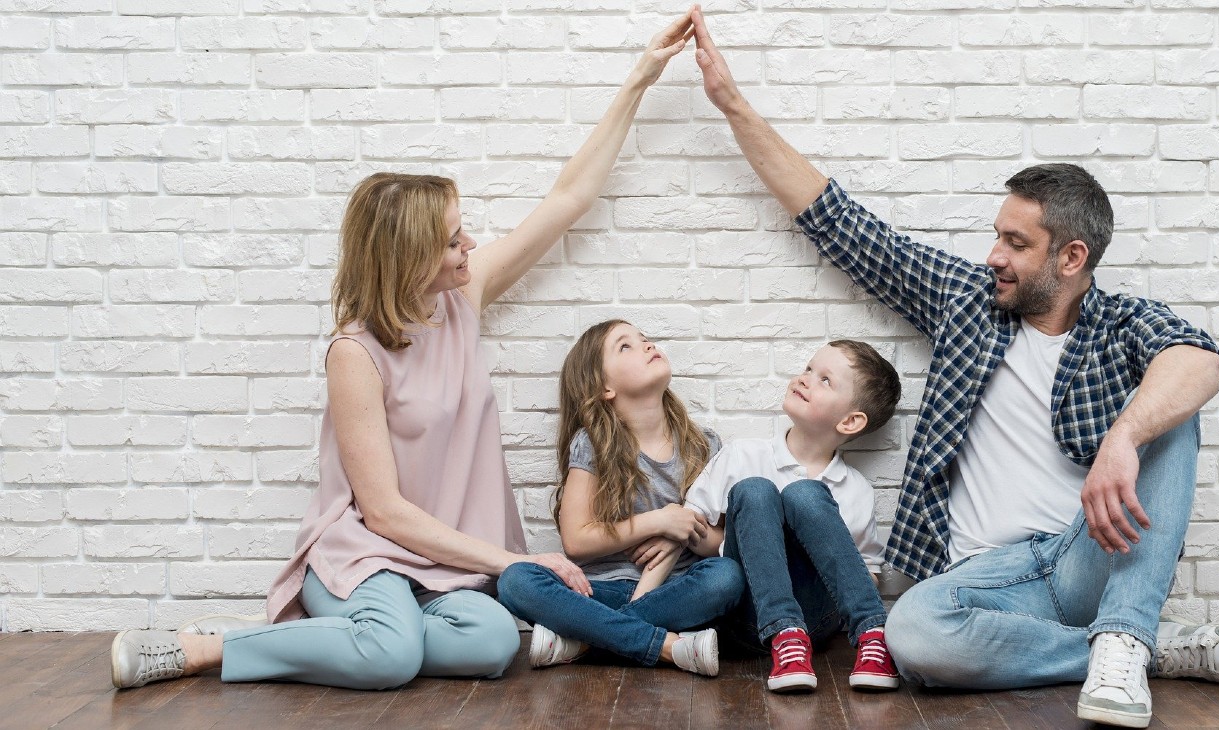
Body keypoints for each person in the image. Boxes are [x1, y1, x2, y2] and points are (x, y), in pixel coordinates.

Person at [687, 7, 1219, 728]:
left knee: (1173, 413)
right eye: (996, 236)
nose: (994, 255)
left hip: (1086, 557)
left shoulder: (1120, 325)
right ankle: (1135, 646)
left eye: (1015, 243)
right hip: (984, 581)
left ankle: (1122, 630)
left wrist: (1124, 436)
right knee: (912, 635)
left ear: (1070, 258)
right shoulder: (967, 302)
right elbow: (842, 223)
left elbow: (1200, 360)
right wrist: (733, 106)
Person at [108, 12, 698, 691]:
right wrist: (511, 563)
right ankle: (212, 647)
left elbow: (567, 198)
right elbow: (383, 511)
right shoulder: (354, 355)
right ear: (408, 256)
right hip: (371, 555)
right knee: (391, 658)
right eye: (452, 240)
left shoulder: (462, 299)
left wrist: (639, 80)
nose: (469, 247)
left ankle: (371, 638)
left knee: (489, 643)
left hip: (448, 562)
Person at [495, 320, 744, 676]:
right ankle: (667, 646)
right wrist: (658, 520)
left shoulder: (704, 445)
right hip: (602, 591)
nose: (646, 345)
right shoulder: (592, 444)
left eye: (644, 339)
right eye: (625, 346)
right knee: (515, 580)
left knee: (726, 576)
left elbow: (722, 544)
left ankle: (585, 641)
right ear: (604, 387)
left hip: (675, 592)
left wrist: (687, 528)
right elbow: (577, 541)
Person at [682, 340, 902, 693]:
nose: (805, 379)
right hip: (747, 615)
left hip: (816, 618)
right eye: (808, 369)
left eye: (825, 380)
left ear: (850, 421)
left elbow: (869, 573)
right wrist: (749, 541)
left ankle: (873, 635)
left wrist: (825, 555)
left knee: (805, 494)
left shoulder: (855, 489)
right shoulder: (743, 455)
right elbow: (692, 525)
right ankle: (785, 633)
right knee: (755, 490)